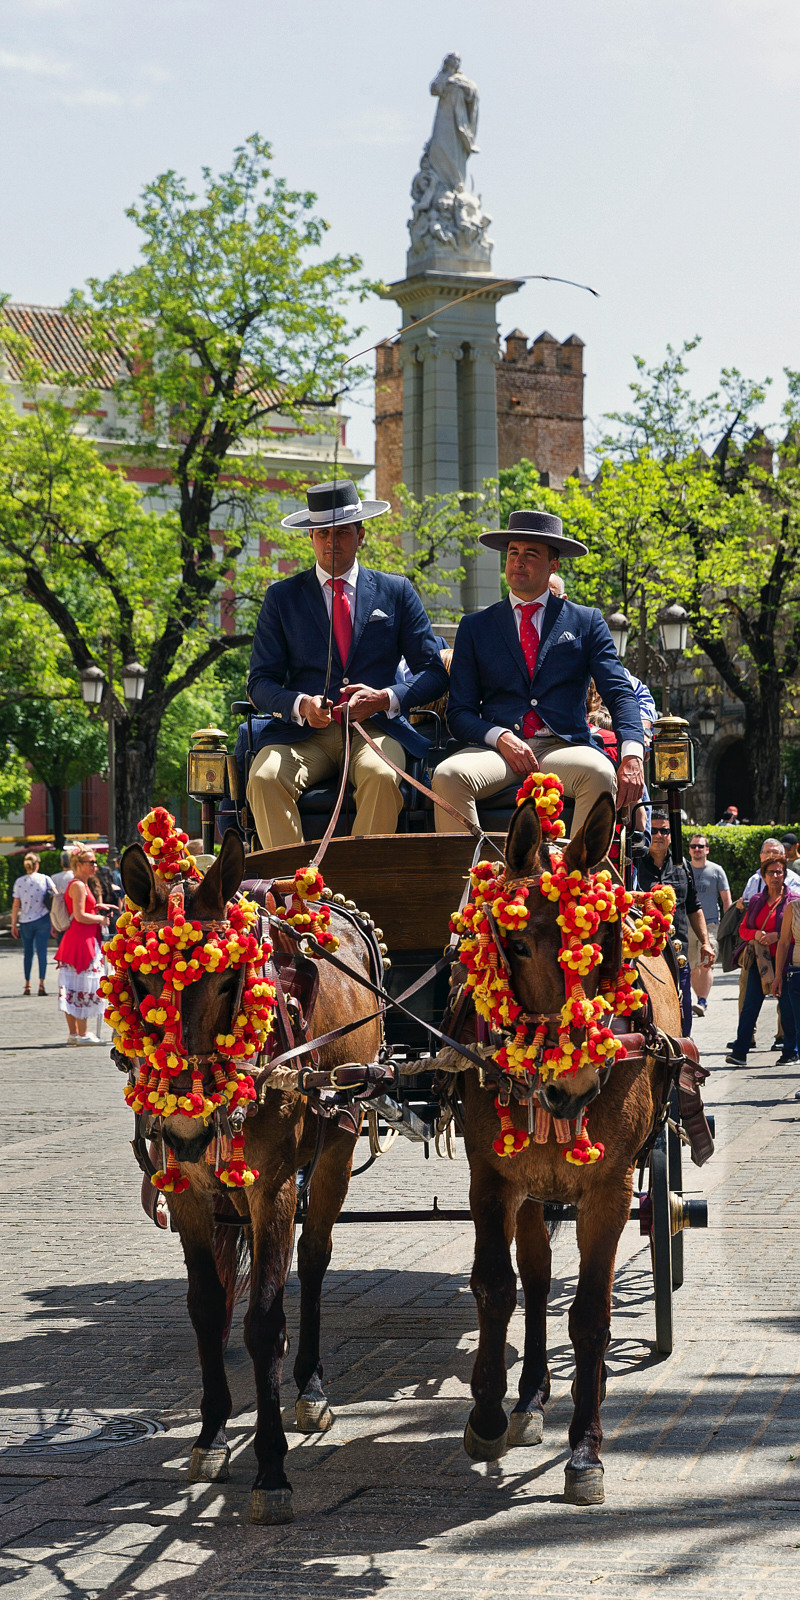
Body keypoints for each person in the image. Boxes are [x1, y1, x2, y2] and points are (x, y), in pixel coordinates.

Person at [246, 479, 449, 849]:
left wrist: (385, 697)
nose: (330, 542)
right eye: (322, 533)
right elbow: (260, 682)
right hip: (304, 735)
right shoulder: (281, 598)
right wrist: (300, 705)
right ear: (310, 538)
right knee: (263, 777)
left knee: (381, 776)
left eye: (341, 533)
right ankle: (294, 895)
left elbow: (434, 671)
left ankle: (355, 894)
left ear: (361, 536)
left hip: (376, 730)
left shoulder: (397, 591)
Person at [431, 510, 645, 836]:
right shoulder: (476, 627)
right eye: (513, 552)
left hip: (564, 748)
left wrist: (632, 755)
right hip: (498, 753)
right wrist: (500, 737)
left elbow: (618, 691)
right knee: (447, 776)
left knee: (600, 773)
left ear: (553, 564)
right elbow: (459, 712)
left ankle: (573, 880)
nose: (518, 561)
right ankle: (473, 882)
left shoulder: (586, 621)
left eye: (531, 554)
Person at [637, 810, 715, 1035]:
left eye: (665, 830)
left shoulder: (683, 865)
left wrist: (705, 942)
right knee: (648, 1013)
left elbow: (694, 907)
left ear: (672, 835)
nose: (659, 835)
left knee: (683, 1014)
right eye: (654, 830)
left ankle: (681, 1062)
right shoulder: (634, 865)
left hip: (677, 955)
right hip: (645, 956)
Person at [727, 858, 798, 1066]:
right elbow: (742, 929)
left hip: (785, 961)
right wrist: (756, 933)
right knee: (749, 1006)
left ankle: (791, 1051)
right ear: (763, 876)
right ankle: (740, 1051)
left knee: (787, 1007)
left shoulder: (793, 901)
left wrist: (778, 936)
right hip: (760, 961)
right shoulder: (757, 900)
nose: (775, 876)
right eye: (770, 872)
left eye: (779, 872)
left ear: (785, 875)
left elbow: (798, 933)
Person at [54, 845, 110, 1044]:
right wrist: (100, 919)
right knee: (81, 985)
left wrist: (98, 908)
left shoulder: (82, 884)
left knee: (75, 986)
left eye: (95, 861)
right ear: (78, 865)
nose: (95, 865)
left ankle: (75, 1034)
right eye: (91, 862)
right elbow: (79, 916)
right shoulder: (78, 885)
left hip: (81, 939)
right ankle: (82, 1033)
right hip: (80, 940)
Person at [687, 833, 732, 1019]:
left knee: (706, 964)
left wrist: (728, 927)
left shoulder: (716, 870)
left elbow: (726, 900)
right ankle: (693, 999)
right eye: (694, 846)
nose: (697, 849)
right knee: (690, 966)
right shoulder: (683, 869)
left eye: (700, 846)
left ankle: (702, 1002)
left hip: (711, 925)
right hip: (687, 925)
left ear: (707, 849)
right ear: (689, 849)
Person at [10, 851, 56, 996]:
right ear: (37, 864)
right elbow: (55, 897)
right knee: (42, 952)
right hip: (42, 918)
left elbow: (16, 905)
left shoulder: (19, 881)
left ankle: (27, 984)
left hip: (25, 921)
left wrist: (13, 924)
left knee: (27, 953)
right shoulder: (45, 879)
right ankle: (41, 984)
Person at [740, 839, 800, 905]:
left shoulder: (794, 880)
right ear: (761, 856)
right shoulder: (753, 880)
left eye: (775, 852)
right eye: (767, 852)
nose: (771, 856)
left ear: (783, 856)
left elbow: (796, 908)